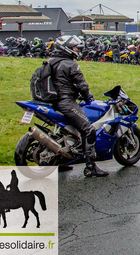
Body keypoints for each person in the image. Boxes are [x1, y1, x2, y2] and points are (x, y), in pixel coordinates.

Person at [49, 35, 108, 177]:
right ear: (66, 49)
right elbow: (82, 84)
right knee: (88, 130)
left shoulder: (52, 62)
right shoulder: (70, 64)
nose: (76, 50)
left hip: (53, 102)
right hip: (66, 102)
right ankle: (90, 167)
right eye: (74, 47)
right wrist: (89, 97)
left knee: (64, 132)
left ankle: (60, 161)